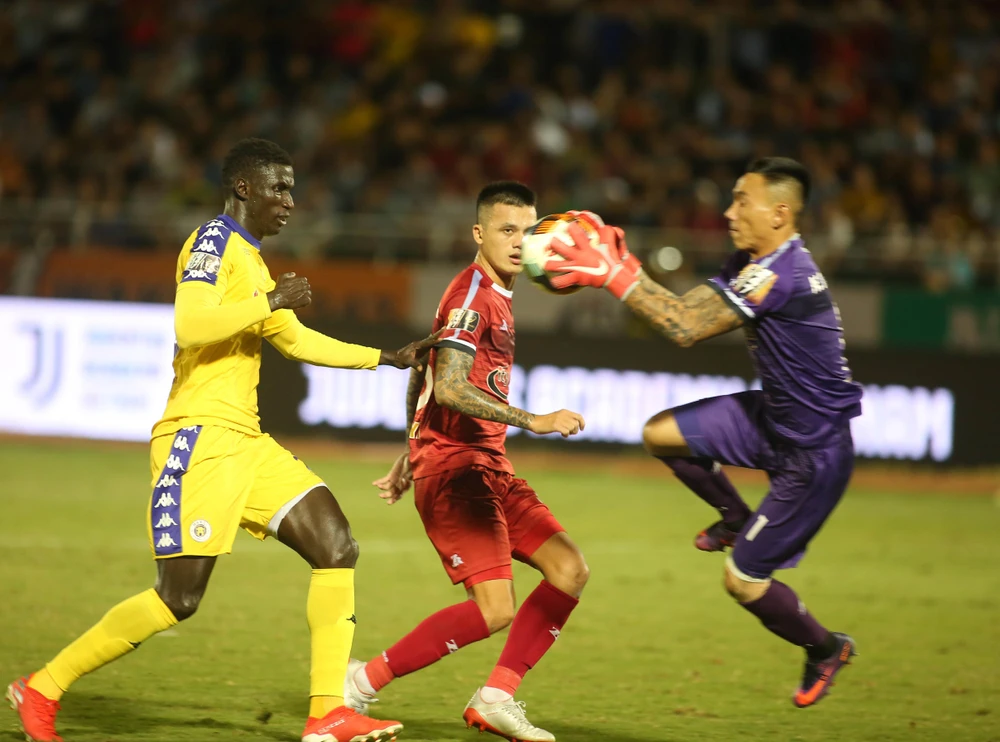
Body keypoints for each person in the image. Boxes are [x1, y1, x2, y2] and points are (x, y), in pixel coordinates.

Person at [7, 138, 440, 742]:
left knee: (336, 546)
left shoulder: (253, 260)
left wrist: (386, 358)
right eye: (279, 187)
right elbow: (190, 324)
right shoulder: (213, 241)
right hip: (199, 438)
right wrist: (270, 299)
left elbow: (295, 339)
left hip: (246, 440)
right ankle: (43, 687)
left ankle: (327, 714)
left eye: (292, 189)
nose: (290, 200)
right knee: (178, 599)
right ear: (244, 187)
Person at [547, 158, 861, 708]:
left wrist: (614, 274)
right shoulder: (755, 262)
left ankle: (826, 647)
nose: (729, 212)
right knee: (661, 434)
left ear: (779, 213)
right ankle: (736, 518)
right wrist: (626, 267)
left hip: (813, 452)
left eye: (742, 201)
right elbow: (689, 306)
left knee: (743, 581)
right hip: (773, 418)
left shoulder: (781, 273)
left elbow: (685, 328)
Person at [343, 182, 588, 742]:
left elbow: (423, 361)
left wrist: (410, 446)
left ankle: (496, 697)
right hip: (459, 473)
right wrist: (535, 420)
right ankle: (359, 682)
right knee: (495, 609)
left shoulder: (494, 293)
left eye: (528, 231)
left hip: (486, 465)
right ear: (479, 233)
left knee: (569, 569)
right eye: (507, 230)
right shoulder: (474, 293)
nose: (519, 242)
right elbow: (451, 387)